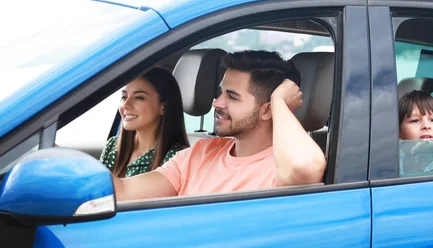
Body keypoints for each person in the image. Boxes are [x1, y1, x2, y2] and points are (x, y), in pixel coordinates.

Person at [112, 50, 327, 201]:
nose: (217, 103)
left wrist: (280, 102)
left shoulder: (283, 166)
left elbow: (304, 167)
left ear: (267, 110)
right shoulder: (199, 153)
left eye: (232, 97)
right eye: (220, 92)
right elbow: (123, 191)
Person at [100, 68, 189, 177]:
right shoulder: (112, 146)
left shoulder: (176, 156)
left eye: (139, 97)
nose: (125, 105)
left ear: (163, 107)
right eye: (124, 97)